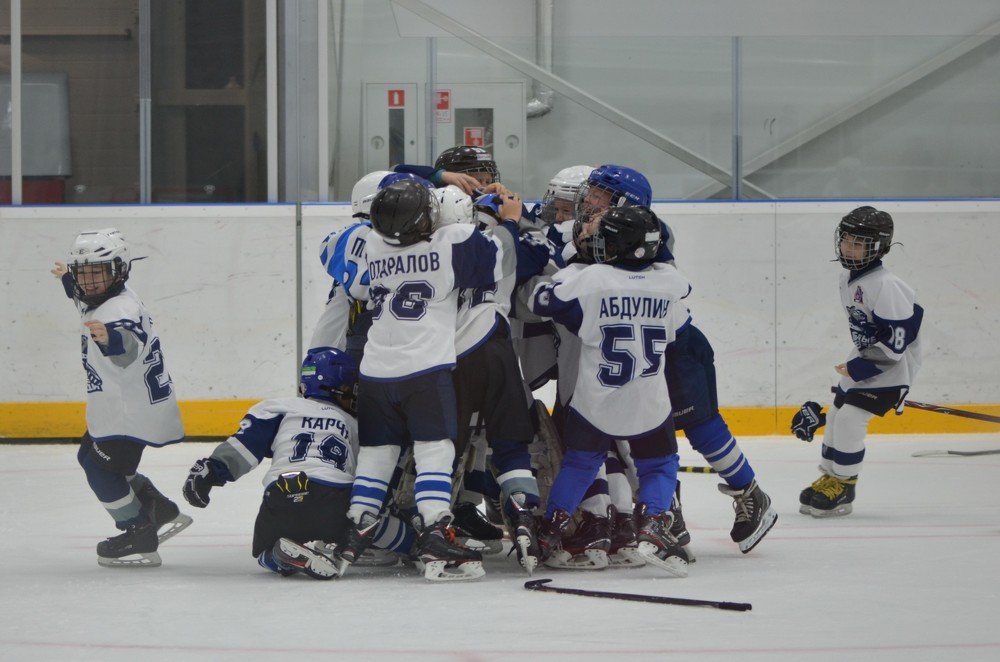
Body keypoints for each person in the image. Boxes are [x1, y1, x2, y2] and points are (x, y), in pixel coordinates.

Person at [570, 165, 778, 555]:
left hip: (675, 347)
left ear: (625, 203)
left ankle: (749, 492)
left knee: (698, 426)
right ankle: (669, 514)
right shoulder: (612, 228)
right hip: (646, 346)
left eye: (600, 194)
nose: (590, 200)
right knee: (646, 434)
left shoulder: (647, 232)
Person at [338, 179, 505, 582]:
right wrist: (490, 218)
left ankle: (357, 525)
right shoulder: (452, 240)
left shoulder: (371, 243)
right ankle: (435, 530)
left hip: (375, 371)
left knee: (378, 452)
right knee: (435, 451)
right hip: (425, 371)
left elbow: (358, 286)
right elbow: (490, 265)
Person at [529, 205, 692, 576]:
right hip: (648, 400)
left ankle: (552, 527)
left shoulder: (592, 279)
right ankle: (654, 522)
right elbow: (680, 325)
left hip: (597, 400)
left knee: (581, 463)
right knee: (660, 464)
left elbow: (544, 302)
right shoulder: (671, 281)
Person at [181, 348, 415, 578]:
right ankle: (418, 546)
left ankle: (278, 556)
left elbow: (243, 448)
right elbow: (372, 473)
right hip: (336, 500)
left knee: (263, 552)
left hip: (282, 495)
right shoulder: (354, 424)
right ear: (339, 388)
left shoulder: (279, 408)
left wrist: (211, 471)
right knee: (371, 520)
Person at [52, 228, 189, 568]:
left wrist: (110, 339)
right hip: (121, 408)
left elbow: (126, 344)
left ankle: (138, 531)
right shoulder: (104, 297)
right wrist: (67, 280)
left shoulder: (119, 310)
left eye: (97, 271)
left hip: (130, 414)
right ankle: (159, 508)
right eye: (83, 273)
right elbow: (83, 297)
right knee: (89, 456)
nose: (89, 281)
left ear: (120, 270)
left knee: (101, 471)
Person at [792, 206, 922, 517]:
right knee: (837, 415)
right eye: (846, 240)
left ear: (878, 247)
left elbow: (897, 343)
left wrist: (859, 368)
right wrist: (856, 364)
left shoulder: (887, 285)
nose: (848, 248)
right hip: (865, 359)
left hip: (893, 368)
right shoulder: (848, 278)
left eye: (858, 243)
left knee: (851, 418)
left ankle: (845, 483)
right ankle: (830, 476)